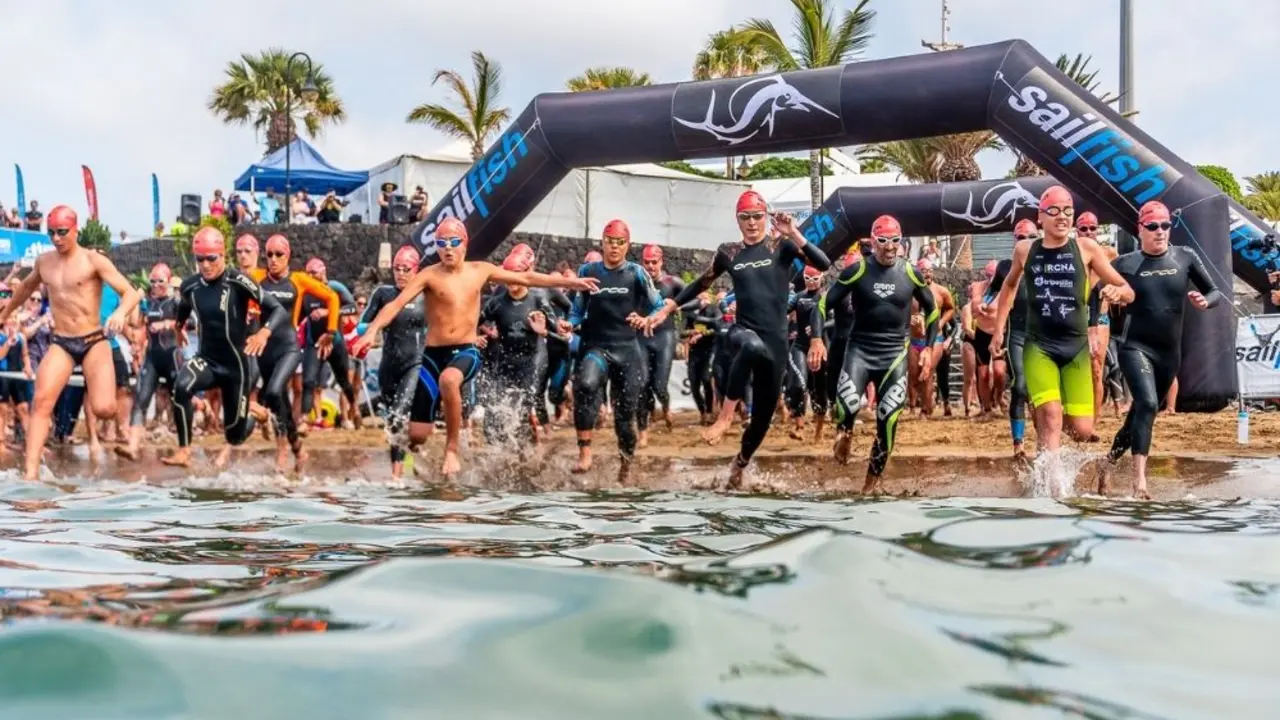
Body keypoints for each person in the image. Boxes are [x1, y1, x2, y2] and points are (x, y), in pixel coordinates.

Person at [351, 217, 598, 478]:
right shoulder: (428, 275)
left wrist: (572, 284)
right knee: (417, 434)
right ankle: (418, 464)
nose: (448, 248)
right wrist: (372, 331)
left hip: (465, 351)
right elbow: (395, 305)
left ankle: (452, 450)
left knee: (449, 380)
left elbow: (526, 277)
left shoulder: (480, 270)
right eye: (441, 243)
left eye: (454, 242)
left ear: (465, 244)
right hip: (432, 355)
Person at [662, 190, 831, 488]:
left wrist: (793, 232)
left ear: (765, 217)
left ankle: (740, 463)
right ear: (737, 220)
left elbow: (824, 263)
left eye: (757, 216)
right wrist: (670, 307)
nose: (752, 223)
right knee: (751, 346)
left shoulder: (782, 246)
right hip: (743, 331)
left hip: (776, 343)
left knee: (762, 421)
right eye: (745, 217)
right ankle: (725, 417)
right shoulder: (729, 252)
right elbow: (702, 282)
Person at [989, 186, 1135, 463]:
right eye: (1054, 211)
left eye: (1068, 211)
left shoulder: (1086, 248)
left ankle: (1045, 423)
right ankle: (1049, 482)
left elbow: (1128, 290)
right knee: (1052, 416)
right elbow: (1008, 287)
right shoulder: (1025, 250)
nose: (1062, 216)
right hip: (1039, 346)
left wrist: (1118, 293)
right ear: (1040, 216)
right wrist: (998, 330)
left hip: (1075, 348)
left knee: (1082, 430)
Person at [0, 205, 141, 480]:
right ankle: (30, 474)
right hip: (62, 342)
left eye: (62, 232)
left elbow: (130, 293)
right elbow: (26, 288)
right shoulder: (44, 262)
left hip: (93, 340)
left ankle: (117, 418)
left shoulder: (93, 260)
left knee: (103, 408)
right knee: (41, 401)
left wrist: (120, 313)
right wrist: (4, 314)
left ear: (75, 230)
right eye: (51, 232)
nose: (56, 238)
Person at [1098, 201, 1221, 498]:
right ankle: (1139, 482)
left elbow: (1214, 291)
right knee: (1149, 404)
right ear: (1140, 229)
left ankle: (1108, 462)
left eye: (1165, 225)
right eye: (1153, 226)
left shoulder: (1184, 257)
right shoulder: (1125, 264)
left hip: (1169, 353)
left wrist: (1206, 302)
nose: (1160, 231)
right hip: (1135, 347)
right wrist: (1099, 320)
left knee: (1141, 413)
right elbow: (1095, 293)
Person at [823, 214, 938, 493]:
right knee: (847, 405)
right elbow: (823, 304)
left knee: (887, 421)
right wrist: (816, 339)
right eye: (884, 241)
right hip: (860, 350)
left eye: (895, 240)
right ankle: (845, 432)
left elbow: (932, 309)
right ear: (873, 242)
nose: (890, 246)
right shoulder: (858, 271)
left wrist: (928, 347)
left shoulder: (910, 272)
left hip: (894, 354)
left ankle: (869, 487)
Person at [164, 228, 288, 468]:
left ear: (222, 255)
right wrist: (179, 327)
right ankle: (184, 451)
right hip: (208, 361)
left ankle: (257, 414)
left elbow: (278, 310)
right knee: (181, 386)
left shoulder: (237, 281)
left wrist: (264, 333)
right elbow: (184, 307)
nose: (206, 265)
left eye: (212, 258)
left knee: (234, 436)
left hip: (235, 368)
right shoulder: (190, 286)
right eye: (200, 259)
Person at [559, 220, 666, 477]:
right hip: (597, 346)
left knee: (624, 417)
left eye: (620, 242)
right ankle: (585, 453)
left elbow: (659, 305)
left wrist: (646, 319)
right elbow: (577, 310)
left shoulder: (636, 273)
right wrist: (570, 324)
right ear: (603, 243)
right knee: (585, 385)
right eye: (610, 242)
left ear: (627, 245)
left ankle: (625, 467)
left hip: (627, 351)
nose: (615, 247)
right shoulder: (588, 270)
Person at [246, 235, 340, 471]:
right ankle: (297, 447)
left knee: (274, 391)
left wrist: (330, 331)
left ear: (287, 256)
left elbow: (332, 297)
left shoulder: (298, 279)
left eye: (279, 254)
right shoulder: (256, 277)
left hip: (288, 347)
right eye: (269, 254)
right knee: (280, 401)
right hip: (264, 350)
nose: (273, 259)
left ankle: (282, 451)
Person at [359, 245, 428, 479]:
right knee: (393, 422)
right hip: (389, 366)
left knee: (399, 414)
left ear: (416, 270)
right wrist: (367, 332)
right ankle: (398, 474)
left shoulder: (426, 294)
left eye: (406, 269)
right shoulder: (383, 294)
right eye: (397, 269)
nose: (400, 274)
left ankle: (401, 470)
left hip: (415, 364)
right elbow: (363, 324)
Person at [981, 219, 1038, 458]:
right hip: (1018, 332)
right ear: (1014, 241)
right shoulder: (1006, 266)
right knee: (1020, 385)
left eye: (1031, 237)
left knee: (1039, 389)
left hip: (1042, 333)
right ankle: (1018, 444)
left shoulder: (1046, 262)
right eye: (1021, 238)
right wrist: (985, 303)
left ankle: (1044, 440)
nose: (1026, 242)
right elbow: (993, 289)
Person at [117, 263, 182, 461]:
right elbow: (136, 323)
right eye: (152, 281)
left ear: (168, 281)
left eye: (160, 281)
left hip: (172, 356)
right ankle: (133, 446)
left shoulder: (175, 302)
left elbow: (191, 322)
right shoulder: (148, 303)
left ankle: (184, 446)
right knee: (140, 399)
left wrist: (167, 324)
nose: (155, 285)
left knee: (181, 400)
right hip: (152, 358)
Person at [636, 244, 685, 448]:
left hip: (665, 336)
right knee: (642, 384)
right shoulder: (636, 282)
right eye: (646, 262)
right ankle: (643, 431)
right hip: (642, 337)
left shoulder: (672, 282)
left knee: (659, 385)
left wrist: (674, 305)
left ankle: (665, 407)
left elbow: (696, 300)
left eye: (654, 262)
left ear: (661, 262)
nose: (650, 266)